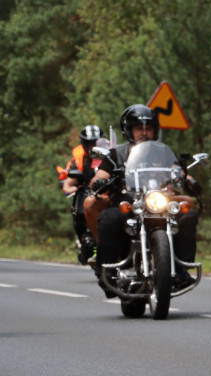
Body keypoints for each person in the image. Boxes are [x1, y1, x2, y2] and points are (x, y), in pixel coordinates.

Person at [89, 105, 200, 296]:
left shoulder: (163, 153)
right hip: (130, 203)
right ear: (128, 130)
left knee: (187, 214)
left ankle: (181, 269)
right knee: (109, 218)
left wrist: (189, 180)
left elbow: (177, 170)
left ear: (154, 130)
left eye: (148, 128)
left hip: (159, 202)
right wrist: (100, 181)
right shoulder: (116, 154)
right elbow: (100, 174)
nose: (144, 132)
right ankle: (107, 270)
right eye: (139, 128)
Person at [58, 125, 101, 264]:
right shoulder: (78, 159)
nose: (93, 146)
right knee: (79, 212)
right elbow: (68, 184)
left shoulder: (110, 154)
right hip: (85, 191)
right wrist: (71, 189)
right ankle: (83, 241)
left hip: (106, 192)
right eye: (90, 143)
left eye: (96, 143)